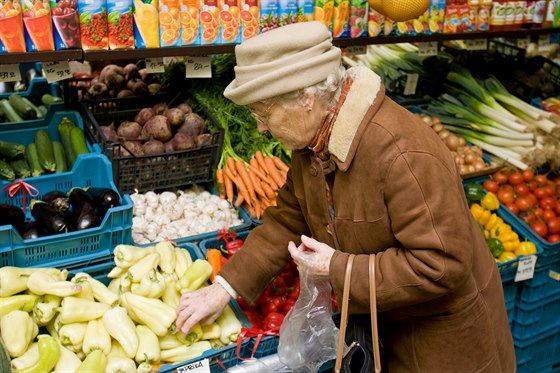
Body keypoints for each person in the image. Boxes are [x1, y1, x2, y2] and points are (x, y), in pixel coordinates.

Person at [176, 21, 516, 372]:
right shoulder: (313, 141)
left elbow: (442, 264)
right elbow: (289, 218)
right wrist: (224, 288)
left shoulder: (404, 153)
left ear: (306, 98)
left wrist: (337, 267)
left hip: (440, 347)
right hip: (377, 329)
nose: (261, 127)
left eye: (264, 113)